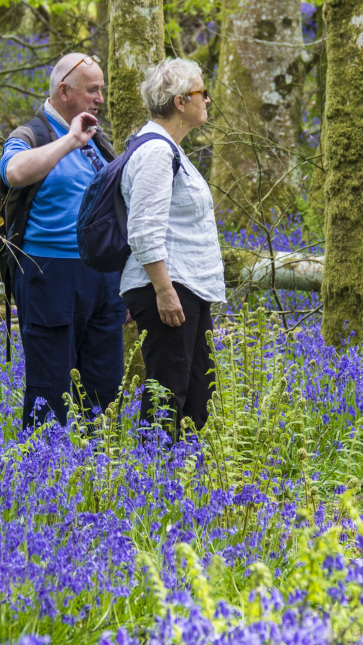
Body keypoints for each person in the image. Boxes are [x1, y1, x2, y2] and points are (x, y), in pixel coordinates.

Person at [1, 53, 125, 429]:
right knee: (50, 389)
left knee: (104, 386)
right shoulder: (32, 135)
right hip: (49, 275)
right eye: (93, 90)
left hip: (103, 278)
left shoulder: (97, 139)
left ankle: (93, 474)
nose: (100, 98)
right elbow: (13, 172)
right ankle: (42, 474)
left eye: (102, 89)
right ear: (64, 90)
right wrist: (69, 141)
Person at [120, 58, 226, 433]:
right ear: (180, 101)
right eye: (202, 92)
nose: (208, 100)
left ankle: (186, 480)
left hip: (187, 287)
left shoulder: (172, 150)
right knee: (168, 395)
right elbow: (144, 231)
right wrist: (163, 292)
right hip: (170, 289)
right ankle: (154, 480)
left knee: (198, 392)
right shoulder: (156, 152)